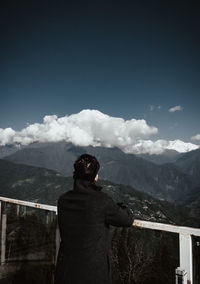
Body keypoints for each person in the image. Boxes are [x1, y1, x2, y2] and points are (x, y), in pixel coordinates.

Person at [54, 154, 134, 284]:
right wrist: (123, 207)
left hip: (66, 271)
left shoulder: (63, 200)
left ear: (74, 174)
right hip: (93, 273)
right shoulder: (102, 201)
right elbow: (126, 220)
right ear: (96, 177)